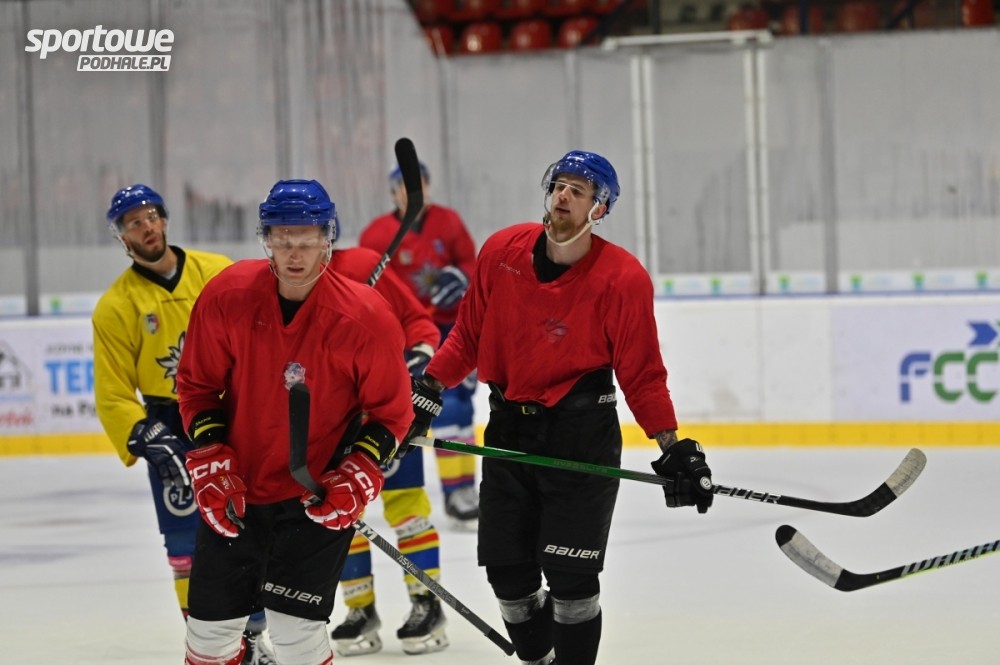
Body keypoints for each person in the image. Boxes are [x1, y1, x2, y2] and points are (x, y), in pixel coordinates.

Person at [404, 151, 715, 665]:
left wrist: (672, 446)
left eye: (579, 190)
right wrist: (429, 389)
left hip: (581, 436)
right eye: (559, 185)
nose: (564, 195)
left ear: (600, 209)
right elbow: (468, 335)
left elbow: (642, 375)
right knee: (508, 578)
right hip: (508, 430)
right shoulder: (501, 252)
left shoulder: (622, 278)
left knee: (572, 583)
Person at [175, 179, 413, 665]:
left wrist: (360, 469)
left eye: (306, 238)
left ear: (328, 237)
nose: (295, 252)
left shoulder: (367, 317)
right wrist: (212, 453)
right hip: (236, 488)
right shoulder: (227, 295)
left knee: (295, 637)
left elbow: (393, 412)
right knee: (208, 638)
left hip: (315, 494)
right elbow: (197, 387)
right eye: (282, 238)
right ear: (266, 238)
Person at [92, 184, 276, 664]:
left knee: (245, 526)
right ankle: (211, 647)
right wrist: (144, 435)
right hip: (168, 424)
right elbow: (112, 389)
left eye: (151, 216)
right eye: (133, 222)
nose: (146, 226)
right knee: (184, 545)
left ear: (165, 219)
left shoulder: (215, 271)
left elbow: (263, 328)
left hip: (227, 410)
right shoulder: (116, 305)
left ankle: (254, 639)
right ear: (122, 236)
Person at [326, 242, 449, 656]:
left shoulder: (362, 263)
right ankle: (359, 609)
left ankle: (426, 602)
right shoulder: (285, 279)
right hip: (329, 420)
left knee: (406, 505)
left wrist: (412, 368)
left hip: (384, 412)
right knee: (344, 512)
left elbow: (419, 322)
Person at [359, 161, 480, 530]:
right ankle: (397, 488)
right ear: (392, 192)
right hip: (404, 337)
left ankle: (461, 491)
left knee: (456, 407)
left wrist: (460, 276)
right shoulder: (376, 234)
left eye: (420, 183)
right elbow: (366, 285)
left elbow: (471, 263)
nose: (415, 191)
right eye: (406, 185)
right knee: (402, 410)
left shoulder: (449, 221)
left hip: (448, 329)